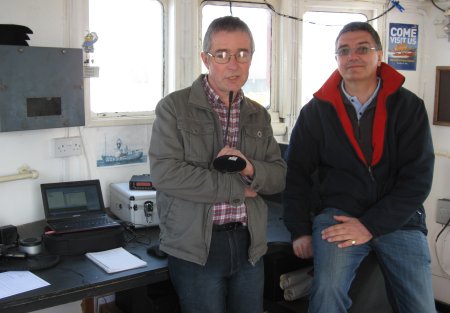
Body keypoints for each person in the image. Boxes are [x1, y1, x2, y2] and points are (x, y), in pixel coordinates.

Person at [283, 21, 436, 313]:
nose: (352, 56)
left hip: (400, 221)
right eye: (344, 51)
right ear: (336, 59)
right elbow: (297, 176)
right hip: (338, 218)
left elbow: (417, 179)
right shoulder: (315, 112)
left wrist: (370, 225)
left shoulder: (409, 107)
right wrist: (299, 230)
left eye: (362, 49)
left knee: (421, 306)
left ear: (379, 55)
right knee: (327, 293)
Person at [149, 16, 286, 313]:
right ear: (206, 59)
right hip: (197, 247)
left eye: (242, 54)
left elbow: (278, 177)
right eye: (222, 55)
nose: (233, 64)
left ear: (251, 58)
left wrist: (249, 168)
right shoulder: (174, 107)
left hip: (250, 244)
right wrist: (237, 187)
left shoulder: (258, 115)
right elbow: (165, 174)